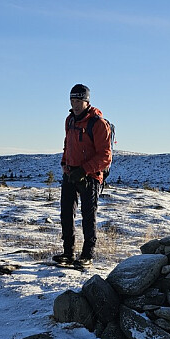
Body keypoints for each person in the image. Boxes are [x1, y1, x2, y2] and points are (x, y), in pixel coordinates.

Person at [53, 83, 112, 268]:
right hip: (71, 174)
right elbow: (67, 144)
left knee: (88, 216)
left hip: (90, 177)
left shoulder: (98, 123)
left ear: (87, 101)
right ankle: (68, 253)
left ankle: (87, 255)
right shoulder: (69, 120)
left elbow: (105, 156)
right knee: (66, 214)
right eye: (72, 100)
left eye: (79, 100)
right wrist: (65, 163)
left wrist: (84, 170)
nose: (75, 104)